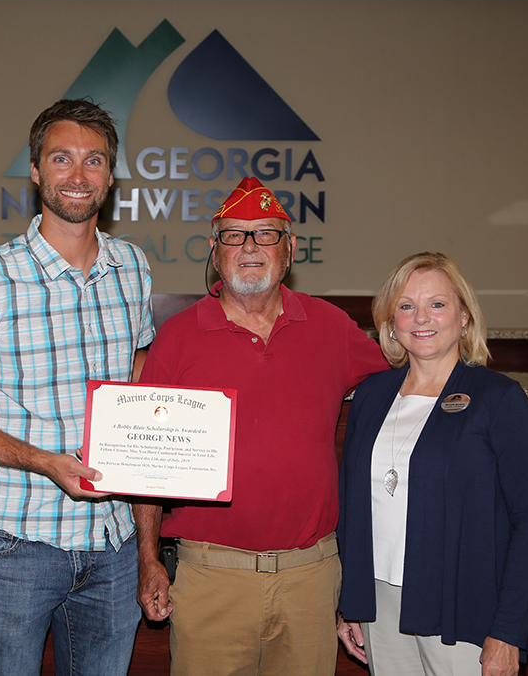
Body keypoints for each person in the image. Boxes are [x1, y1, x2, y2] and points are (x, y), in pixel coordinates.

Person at [0, 98, 154, 676]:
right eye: (61, 159)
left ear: (110, 174)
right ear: (35, 171)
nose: (78, 177)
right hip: (15, 546)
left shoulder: (133, 267)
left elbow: (140, 378)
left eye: (94, 161)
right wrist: (45, 462)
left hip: (114, 542)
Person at [133, 176, 388, 676]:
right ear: (215, 249)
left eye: (266, 234)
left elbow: (405, 384)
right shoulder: (178, 337)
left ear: (289, 250)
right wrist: (148, 559)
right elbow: (148, 464)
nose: (249, 247)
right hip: (211, 576)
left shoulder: (331, 327)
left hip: (310, 580)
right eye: (234, 235)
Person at [336, 252, 528, 676]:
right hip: (380, 606)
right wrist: (351, 602)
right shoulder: (371, 396)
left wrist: (508, 631)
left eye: (437, 304)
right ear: (390, 322)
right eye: (406, 305)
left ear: (465, 316)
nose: (421, 318)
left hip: (463, 607)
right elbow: (354, 510)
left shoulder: (497, 398)